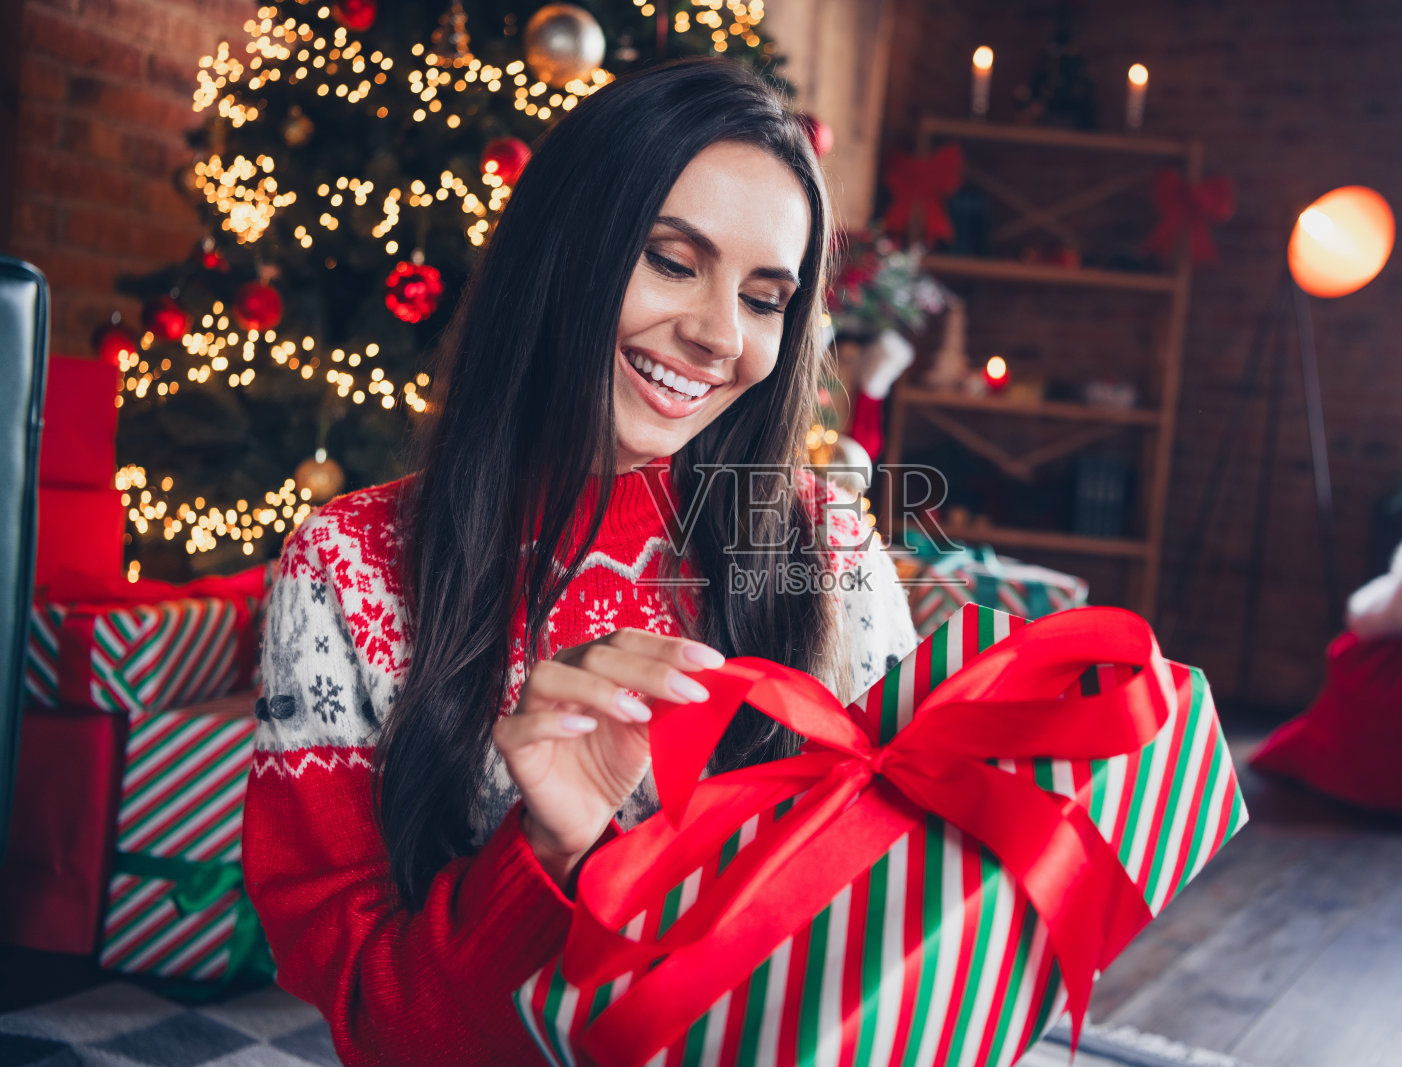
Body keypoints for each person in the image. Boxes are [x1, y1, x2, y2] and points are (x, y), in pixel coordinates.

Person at [242, 58, 919, 1066]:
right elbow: (377, 1021)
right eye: (672, 259)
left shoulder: (830, 547)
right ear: (563, 252)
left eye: (766, 297)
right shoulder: (346, 566)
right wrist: (545, 852)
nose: (718, 334)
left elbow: (914, 928)